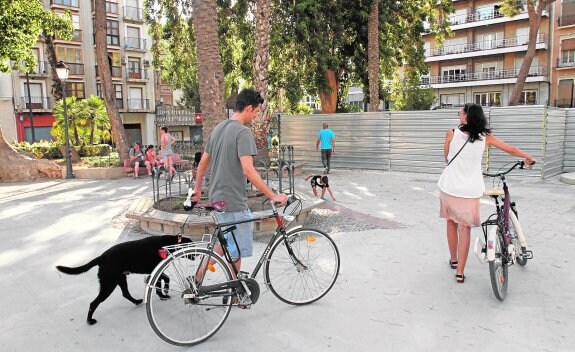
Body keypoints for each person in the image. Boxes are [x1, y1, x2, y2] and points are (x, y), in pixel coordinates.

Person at [192, 88, 288, 276]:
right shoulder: (243, 133)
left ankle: (199, 276)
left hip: (217, 197)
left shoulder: (218, 129)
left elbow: (202, 163)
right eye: (257, 112)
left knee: (226, 241)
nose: (256, 116)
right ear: (249, 108)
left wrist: (197, 190)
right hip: (234, 200)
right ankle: (235, 292)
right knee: (235, 250)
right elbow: (248, 170)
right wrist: (273, 196)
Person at [437, 103, 536, 284]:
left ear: (467, 116)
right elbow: (510, 149)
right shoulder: (485, 137)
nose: (459, 115)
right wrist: (528, 157)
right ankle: (460, 273)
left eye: (461, 112)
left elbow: (447, 159)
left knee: (451, 222)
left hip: (449, 187)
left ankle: (454, 259)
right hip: (470, 191)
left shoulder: (451, 133)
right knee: (464, 228)